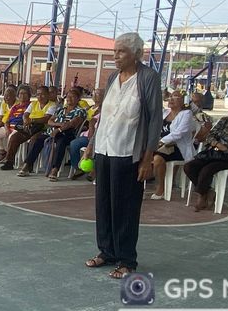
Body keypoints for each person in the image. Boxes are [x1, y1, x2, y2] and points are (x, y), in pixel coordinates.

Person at [81, 34, 162, 279]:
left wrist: (147, 158)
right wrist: (91, 147)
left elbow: (155, 120)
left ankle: (127, 259)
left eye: (121, 51)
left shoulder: (148, 78)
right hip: (105, 150)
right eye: (115, 51)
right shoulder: (112, 78)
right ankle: (107, 251)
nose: (115, 56)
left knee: (125, 208)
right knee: (104, 205)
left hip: (129, 153)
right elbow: (103, 118)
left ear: (136, 54)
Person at [148, 91, 197, 200]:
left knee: (157, 159)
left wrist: (161, 142)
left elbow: (179, 133)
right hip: (160, 146)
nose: (171, 99)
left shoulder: (186, 114)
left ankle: (160, 188)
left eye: (175, 97)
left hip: (176, 147)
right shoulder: (164, 113)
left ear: (183, 101)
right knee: (140, 154)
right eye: (170, 97)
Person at [39, 87, 88, 180]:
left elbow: (71, 124)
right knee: (38, 139)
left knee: (61, 142)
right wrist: (59, 125)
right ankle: (27, 164)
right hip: (55, 132)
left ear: (78, 99)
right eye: (68, 96)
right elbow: (50, 121)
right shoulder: (61, 109)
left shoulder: (80, 111)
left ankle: (55, 169)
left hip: (68, 134)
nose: (69, 99)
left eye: (72, 97)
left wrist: (58, 130)